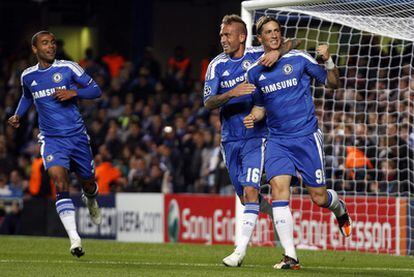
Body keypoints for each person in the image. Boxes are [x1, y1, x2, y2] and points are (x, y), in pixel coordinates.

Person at [243, 16, 352, 270]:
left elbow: (333, 84)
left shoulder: (299, 59)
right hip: (277, 140)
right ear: (260, 39)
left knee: (319, 198)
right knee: (279, 191)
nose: (274, 35)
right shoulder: (254, 72)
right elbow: (260, 107)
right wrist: (252, 116)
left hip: (306, 137)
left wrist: (329, 60)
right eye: (268, 32)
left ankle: (338, 206)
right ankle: (290, 257)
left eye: (277, 31)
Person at [203, 14, 300, 267]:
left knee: (250, 190)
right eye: (222, 35)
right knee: (246, 196)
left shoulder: (258, 53)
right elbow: (208, 102)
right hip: (230, 140)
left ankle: (239, 252)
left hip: (257, 137)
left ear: (242, 36)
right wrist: (232, 93)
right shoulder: (217, 65)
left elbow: (291, 43)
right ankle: (274, 214)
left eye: (228, 34)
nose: (223, 39)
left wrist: (277, 53)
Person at [8, 30, 102, 258]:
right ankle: (74, 239)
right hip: (51, 139)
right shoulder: (27, 76)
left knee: (88, 182)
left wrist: (74, 92)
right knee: (60, 183)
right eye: (45, 43)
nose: (50, 46)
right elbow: (28, 96)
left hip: (77, 137)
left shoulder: (69, 68)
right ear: (35, 49)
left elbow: (96, 90)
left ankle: (90, 198)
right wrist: (18, 115)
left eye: (52, 43)